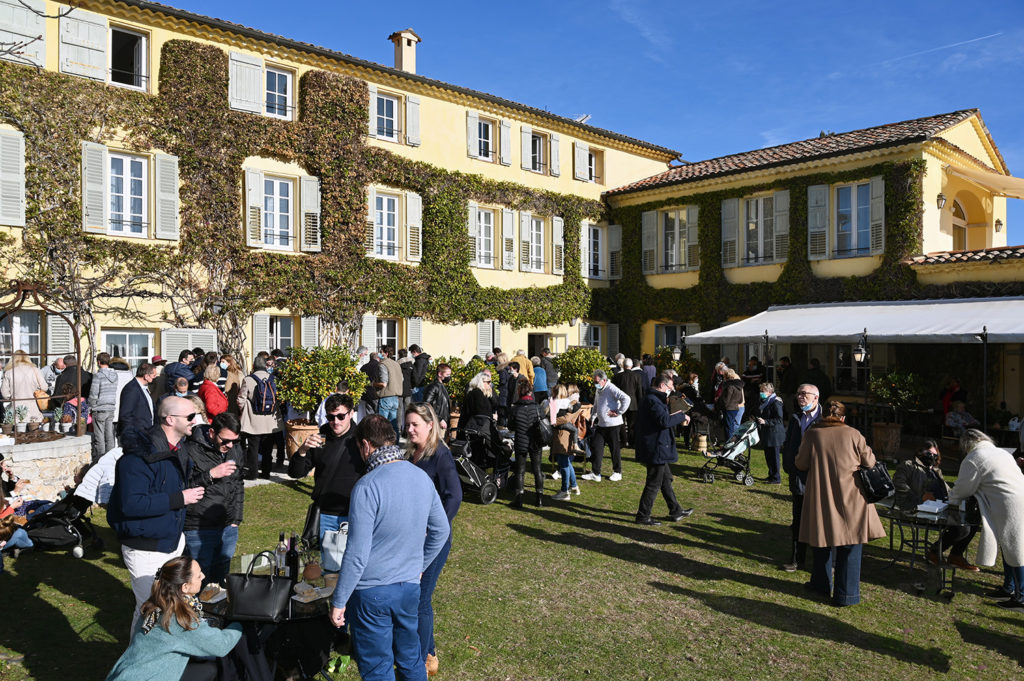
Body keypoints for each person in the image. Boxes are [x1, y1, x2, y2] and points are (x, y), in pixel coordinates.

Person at [329, 415, 449, 681]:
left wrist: (339, 601)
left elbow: (357, 554)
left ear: (366, 446)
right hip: (408, 588)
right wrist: (419, 566)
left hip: (371, 593)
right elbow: (441, 530)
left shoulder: (367, 486)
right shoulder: (420, 477)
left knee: (377, 668)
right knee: (411, 659)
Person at [108, 397, 229, 633]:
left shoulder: (179, 449)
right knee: (154, 609)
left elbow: (178, 487)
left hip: (171, 540)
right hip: (145, 547)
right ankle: (142, 661)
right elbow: (130, 504)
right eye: (191, 417)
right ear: (170, 420)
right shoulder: (137, 457)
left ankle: (146, 658)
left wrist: (207, 477)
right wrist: (180, 499)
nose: (197, 421)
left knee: (156, 608)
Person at [795, 400, 884, 607]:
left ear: (823, 415)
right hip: (852, 496)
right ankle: (847, 594)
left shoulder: (813, 433)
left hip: (822, 494)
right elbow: (870, 462)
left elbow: (801, 463)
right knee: (851, 544)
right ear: (843, 417)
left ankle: (820, 584)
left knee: (821, 539)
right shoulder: (854, 434)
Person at [105, 556, 243, 681]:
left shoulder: (157, 602)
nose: (203, 576)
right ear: (185, 586)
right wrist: (239, 623)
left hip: (128, 673)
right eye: (198, 576)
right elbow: (221, 645)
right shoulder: (178, 619)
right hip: (148, 677)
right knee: (211, 669)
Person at [405, 404, 462, 677]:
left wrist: (436, 527)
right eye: (408, 424)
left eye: (415, 424)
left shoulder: (440, 455)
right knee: (413, 593)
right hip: (412, 537)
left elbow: (454, 495)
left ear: (431, 425)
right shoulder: (410, 454)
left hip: (434, 540)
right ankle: (422, 646)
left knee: (421, 597)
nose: (410, 429)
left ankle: (428, 655)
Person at [947, 429, 1024, 609]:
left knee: (1016, 548)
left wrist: (951, 498)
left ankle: (1021, 598)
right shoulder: (1000, 452)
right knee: (1010, 546)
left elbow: (964, 487)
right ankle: (1009, 588)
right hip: (1016, 497)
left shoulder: (975, 457)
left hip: (1009, 503)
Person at [289, 393, 363, 564]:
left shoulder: (361, 439)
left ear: (351, 413)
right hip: (325, 515)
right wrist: (302, 450)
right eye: (331, 417)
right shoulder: (321, 436)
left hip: (354, 515)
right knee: (327, 568)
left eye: (341, 416)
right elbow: (295, 472)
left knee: (352, 567)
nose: (335, 421)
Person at [893, 439, 978, 571]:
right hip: (916, 509)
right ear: (920, 452)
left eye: (934, 454)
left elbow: (948, 491)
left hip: (939, 508)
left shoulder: (936, 471)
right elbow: (899, 485)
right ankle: (935, 552)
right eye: (928, 453)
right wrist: (920, 498)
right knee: (962, 528)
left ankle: (955, 555)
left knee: (971, 523)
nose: (932, 457)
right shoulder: (908, 466)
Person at [183, 412, 245, 586]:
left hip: (228, 525)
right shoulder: (190, 450)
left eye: (235, 441)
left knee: (221, 579)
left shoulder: (234, 449)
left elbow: (238, 483)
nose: (230, 445)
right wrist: (210, 475)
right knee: (198, 580)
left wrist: (236, 518)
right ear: (211, 433)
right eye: (225, 441)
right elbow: (181, 486)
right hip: (198, 526)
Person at [634, 372, 693, 526]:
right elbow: (664, 421)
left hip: (657, 446)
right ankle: (643, 515)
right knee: (653, 483)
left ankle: (676, 511)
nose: (671, 389)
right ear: (662, 385)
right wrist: (681, 416)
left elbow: (662, 418)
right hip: (655, 447)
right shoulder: (653, 400)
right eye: (670, 386)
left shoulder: (653, 399)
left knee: (666, 480)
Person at [781, 383, 821, 572]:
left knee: (818, 520)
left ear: (816, 397)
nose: (800, 397)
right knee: (798, 520)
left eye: (804, 394)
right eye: (798, 394)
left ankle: (822, 562)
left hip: (818, 478)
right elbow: (789, 442)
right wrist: (788, 465)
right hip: (798, 476)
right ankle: (797, 559)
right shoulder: (796, 417)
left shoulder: (824, 419)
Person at [237, 355, 282, 480]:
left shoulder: (248, 379)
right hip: (270, 419)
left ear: (253, 366)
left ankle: (253, 473)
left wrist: (243, 410)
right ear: (265, 366)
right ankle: (266, 472)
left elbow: (241, 398)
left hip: (253, 418)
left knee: (253, 448)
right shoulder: (273, 378)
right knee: (267, 448)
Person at [586, 369, 630, 483]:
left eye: (597, 381)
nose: (595, 384)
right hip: (601, 424)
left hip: (613, 424)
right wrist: (593, 417)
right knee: (596, 446)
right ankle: (596, 473)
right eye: (594, 381)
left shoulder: (611, 388)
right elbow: (596, 404)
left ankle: (617, 472)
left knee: (614, 449)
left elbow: (626, 398)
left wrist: (619, 412)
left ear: (604, 380)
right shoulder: (598, 389)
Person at [509, 375, 545, 508]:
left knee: (520, 471)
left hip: (521, 441)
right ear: (531, 392)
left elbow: (510, 426)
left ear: (520, 392)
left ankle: (519, 500)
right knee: (537, 470)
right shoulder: (537, 408)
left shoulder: (515, 409)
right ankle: (539, 499)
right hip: (535, 442)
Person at [1, 350, 47, 422]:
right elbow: (44, 387)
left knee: (16, 432)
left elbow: (5, 394)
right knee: (34, 431)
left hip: (15, 410)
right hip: (34, 409)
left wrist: (12, 395)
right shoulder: (35, 370)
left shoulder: (8, 372)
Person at [90, 353, 120, 462]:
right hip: (111, 407)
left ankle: (101, 460)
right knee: (110, 436)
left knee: (100, 437)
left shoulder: (98, 376)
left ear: (98, 362)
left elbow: (94, 394)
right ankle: (111, 460)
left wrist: (91, 406)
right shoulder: (115, 376)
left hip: (99, 408)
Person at [116, 363, 157, 438]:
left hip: (146, 432)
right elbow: (125, 415)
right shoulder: (131, 389)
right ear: (146, 376)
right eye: (154, 376)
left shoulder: (143, 388)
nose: (155, 378)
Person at [755, 382, 785, 485]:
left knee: (774, 456)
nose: (761, 393)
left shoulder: (776, 402)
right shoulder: (765, 401)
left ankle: (776, 478)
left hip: (774, 434)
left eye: (763, 391)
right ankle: (771, 475)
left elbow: (779, 419)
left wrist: (766, 422)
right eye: (760, 391)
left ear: (769, 392)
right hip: (767, 432)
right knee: (768, 456)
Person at [612, 358, 644, 448]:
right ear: (631, 366)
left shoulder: (617, 376)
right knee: (632, 424)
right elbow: (639, 392)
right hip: (633, 403)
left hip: (621, 403)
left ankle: (623, 441)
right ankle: (632, 442)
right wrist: (640, 403)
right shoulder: (637, 376)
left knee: (621, 422)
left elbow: (614, 392)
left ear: (623, 365)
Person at [458, 371, 496, 440]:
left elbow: (495, 404)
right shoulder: (477, 394)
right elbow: (481, 412)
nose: (490, 384)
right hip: (475, 429)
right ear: (481, 382)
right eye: (488, 382)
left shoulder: (481, 393)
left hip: (475, 428)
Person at [377, 345, 404, 437]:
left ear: (386, 353)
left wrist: (373, 384)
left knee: (382, 424)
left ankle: (381, 444)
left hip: (386, 396)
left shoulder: (383, 364)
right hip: (396, 396)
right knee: (393, 424)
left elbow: (384, 383)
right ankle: (395, 444)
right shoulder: (396, 364)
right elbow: (402, 379)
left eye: (381, 352)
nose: (379, 354)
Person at [422, 363, 452, 435]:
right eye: (447, 375)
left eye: (449, 375)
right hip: (436, 423)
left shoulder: (441, 386)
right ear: (440, 374)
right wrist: (440, 419)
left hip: (442, 423)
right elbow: (426, 405)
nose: (449, 377)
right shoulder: (433, 387)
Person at [716, 368, 745, 440]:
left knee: (728, 427)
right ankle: (732, 443)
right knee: (732, 426)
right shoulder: (739, 386)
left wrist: (719, 404)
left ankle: (729, 443)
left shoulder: (729, 386)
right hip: (735, 408)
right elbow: (740, 400)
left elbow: (726, 400)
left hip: (728, 408)